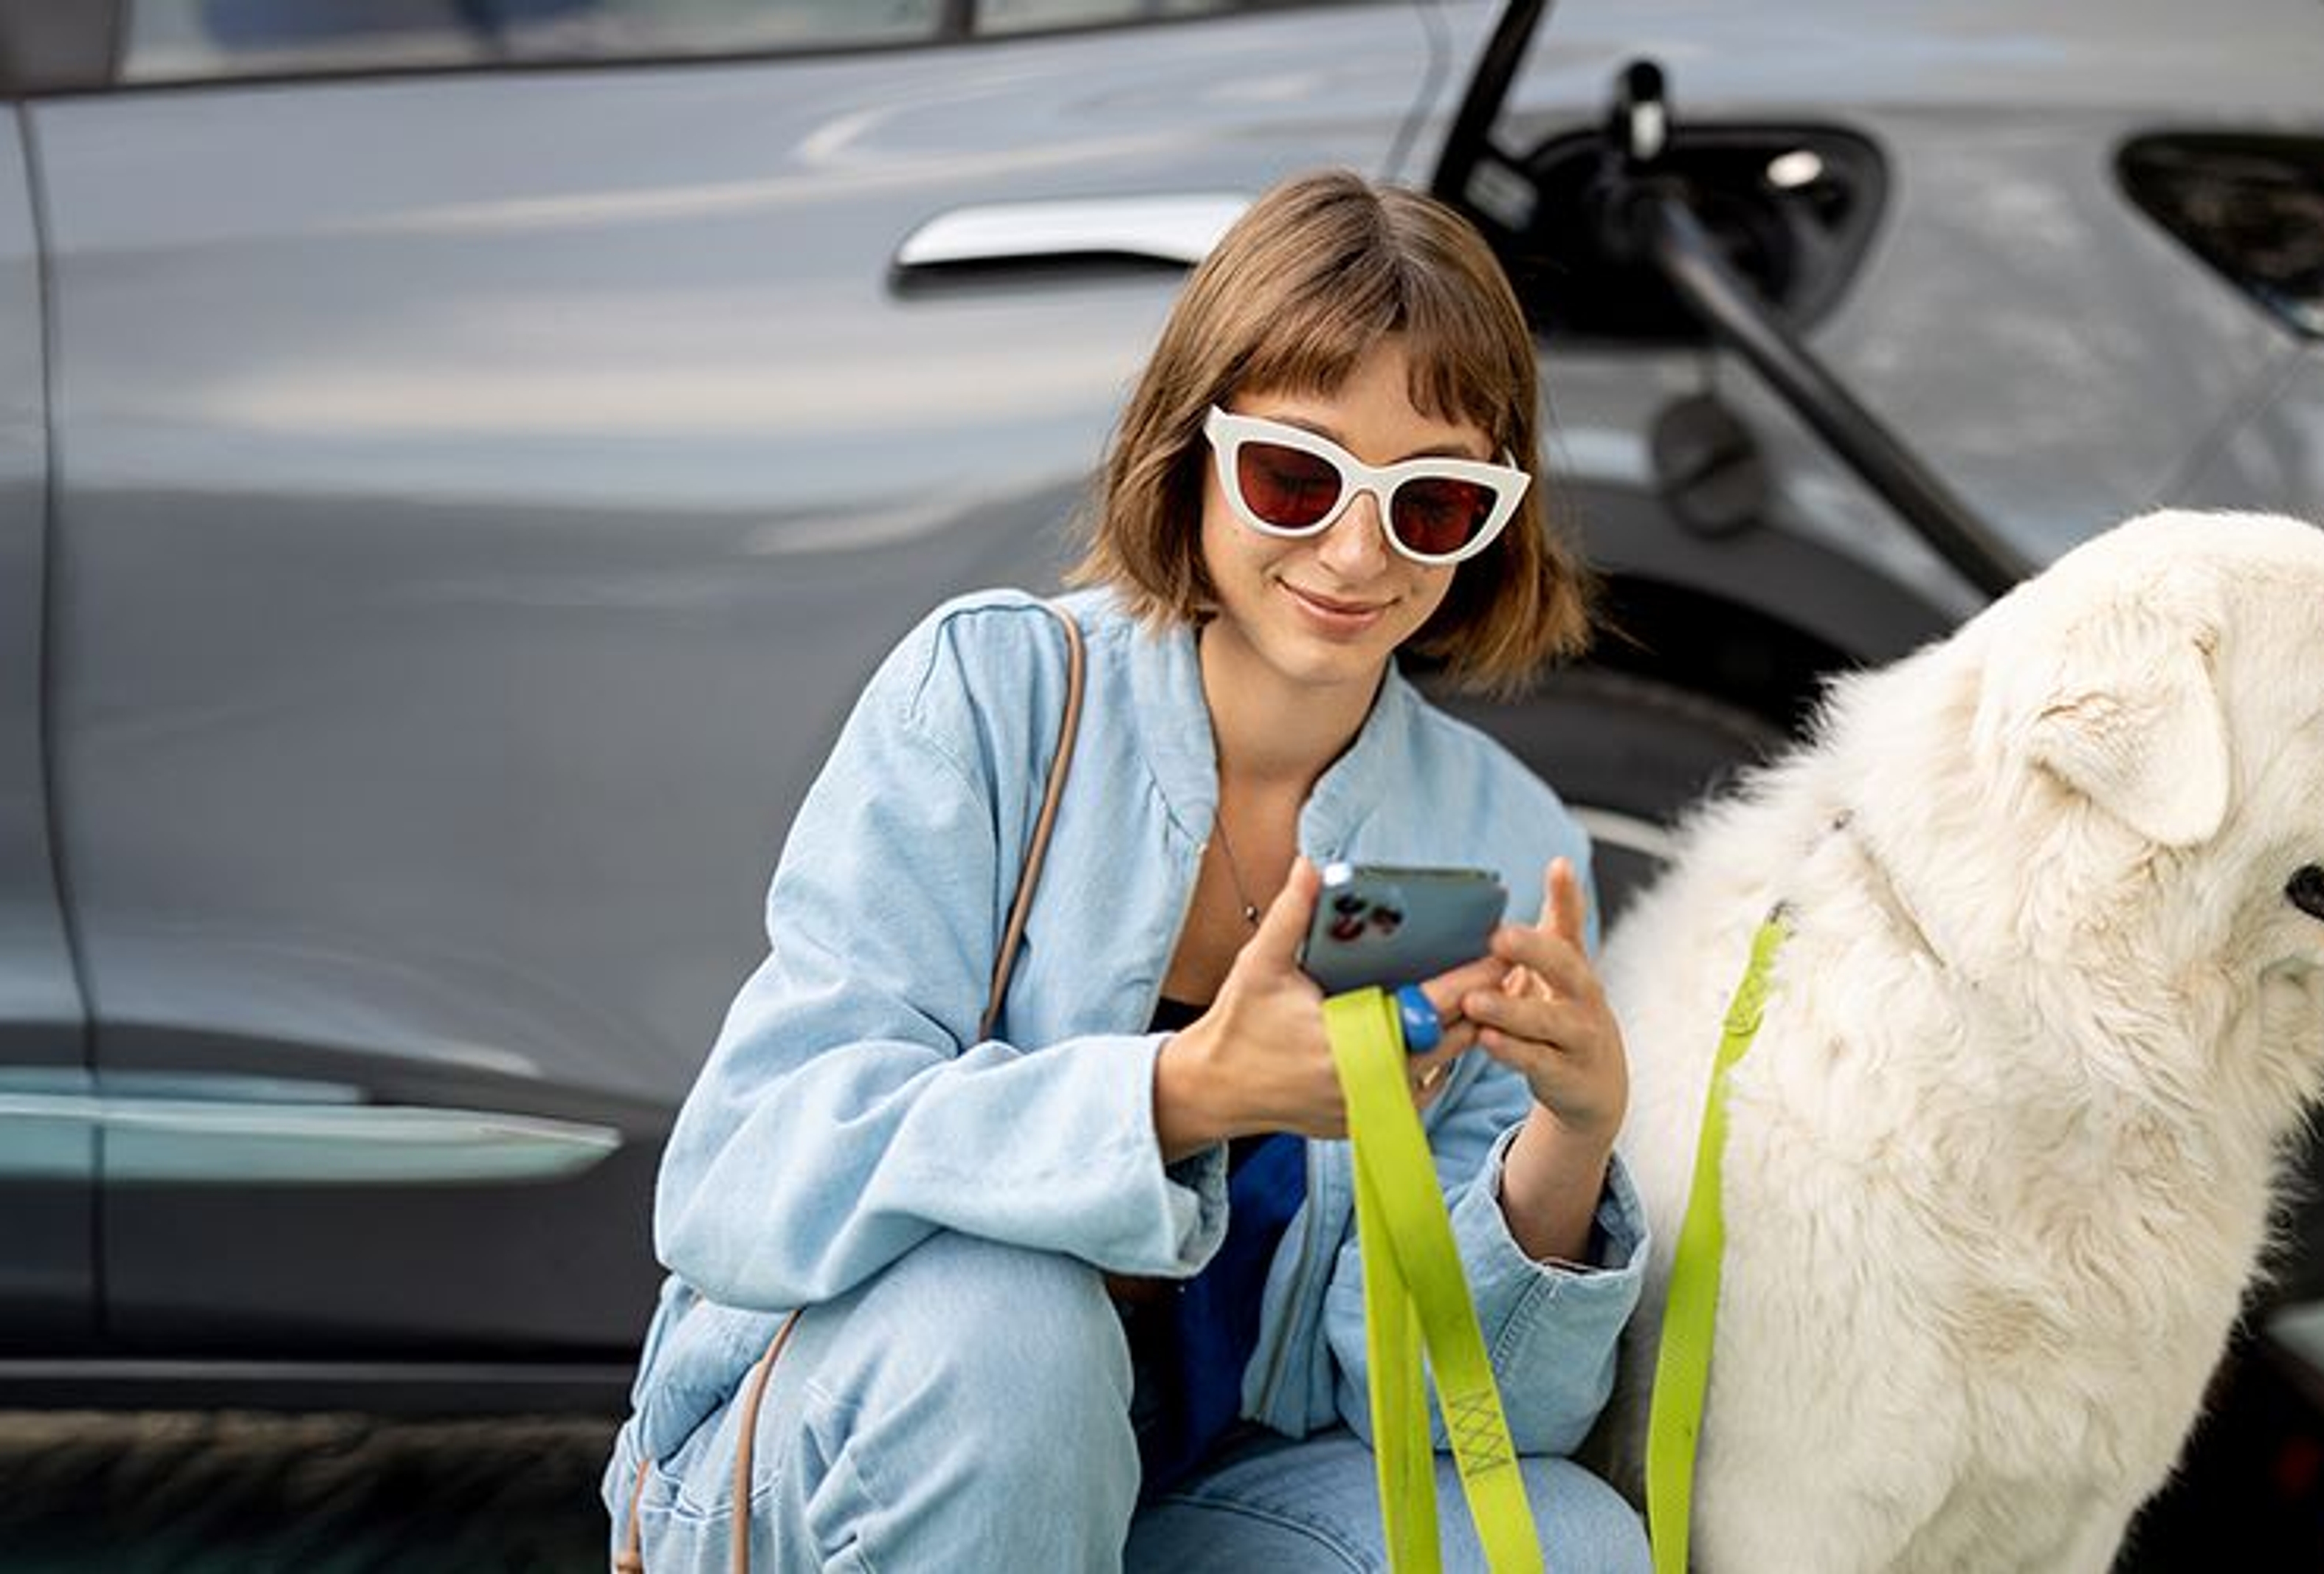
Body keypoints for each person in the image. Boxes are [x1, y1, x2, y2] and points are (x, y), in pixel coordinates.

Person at [601, 168, 1654, 1572]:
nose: (1357, 548)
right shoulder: (997, 692)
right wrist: (1184, 1091)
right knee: (1011, 1338)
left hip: (1203, 1492)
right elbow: (749, 1170)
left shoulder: (1488, 838)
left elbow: (1436, 1415)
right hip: (855, 1452)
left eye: (1434, 502)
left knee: (1558, 1539)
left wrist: (1570, 1142)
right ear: (1193, 447)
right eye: (1296, 473)